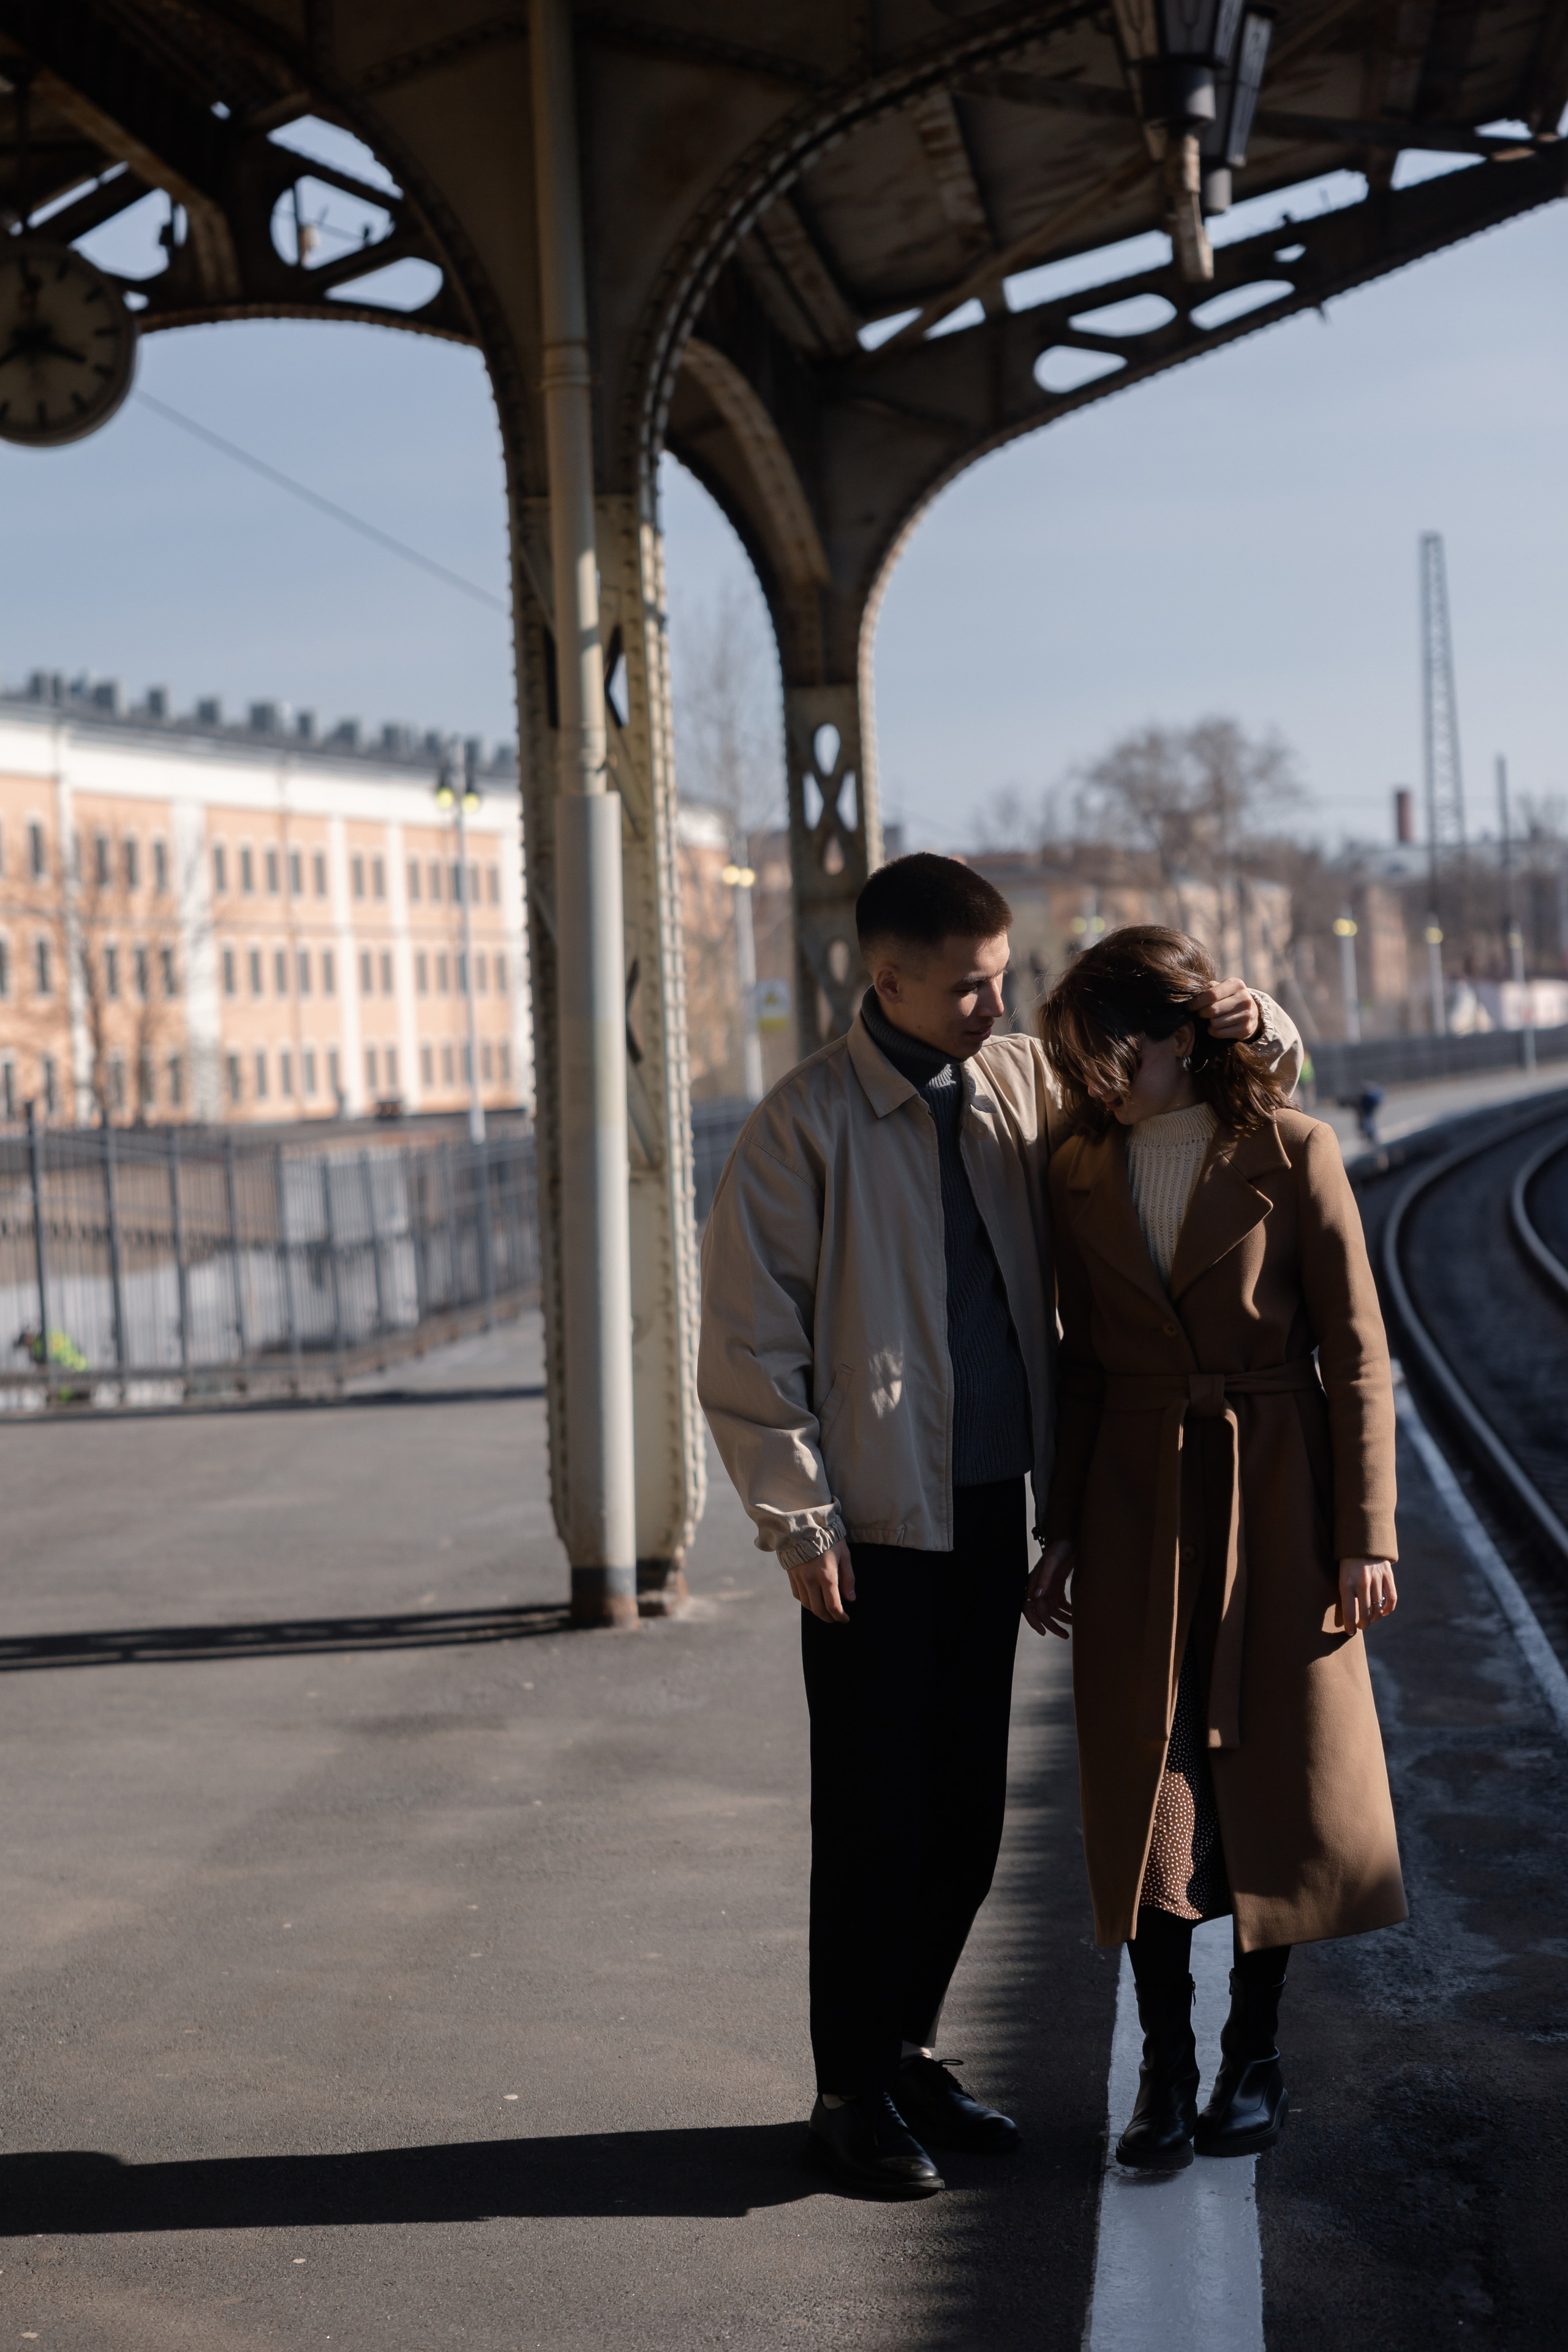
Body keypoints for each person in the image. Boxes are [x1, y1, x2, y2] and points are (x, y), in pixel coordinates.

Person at [698, 858, 1301, 2197]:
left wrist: (1265, 1028)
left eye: (1002, 976)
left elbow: (1190, 1087)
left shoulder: (1024, 1083)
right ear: (885, 980)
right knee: (870, 1818)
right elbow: (747, 1345)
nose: (994, 1002)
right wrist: (797, 1522)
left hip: (987, 1517)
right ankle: (846, 2091)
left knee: (966, 1813)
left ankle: (904, 2048)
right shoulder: (801, 1127)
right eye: (968, 984)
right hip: (865, 1528)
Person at [1025, 925, 1405, 2172]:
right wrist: (1061, 1525)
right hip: (1136, 1495)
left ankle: (1253, 2053)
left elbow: (1352, 1350)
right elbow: (1080, 1366)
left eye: (1104, 1049)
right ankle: (1164, 2070)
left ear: (1180, 1040)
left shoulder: (1293, 1149)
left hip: (1274, 1491)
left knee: (1270, 1781)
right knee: (1151, 1783)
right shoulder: (1072, 1165)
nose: (1084, 1073)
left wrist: (1365, 1533)